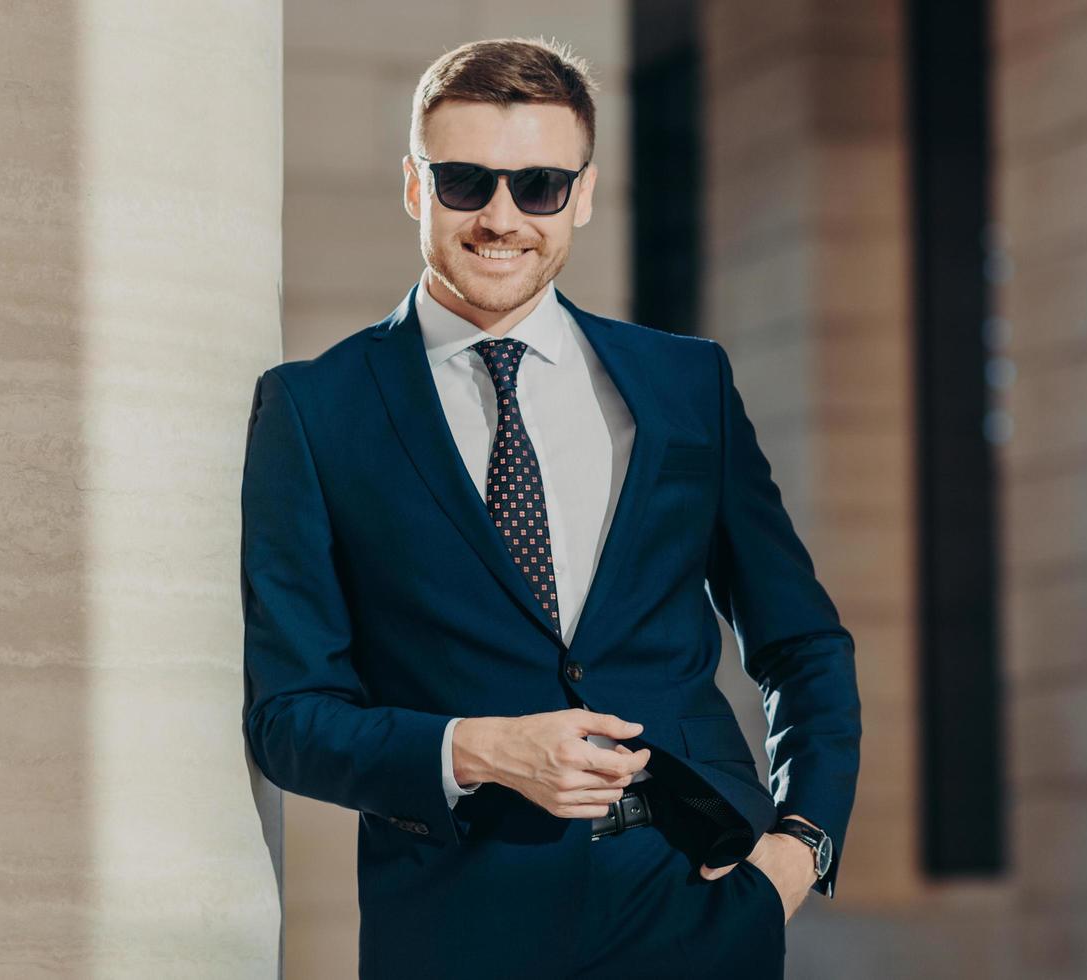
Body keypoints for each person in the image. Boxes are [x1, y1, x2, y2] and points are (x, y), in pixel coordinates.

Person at [240, 36, 861, 979]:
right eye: (464, 182)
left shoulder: (686, 383)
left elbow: (802, 642)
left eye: (538, 185)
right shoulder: (315, 410)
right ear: (415, 187)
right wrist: (478, 751)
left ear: (584, 193)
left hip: (698, 900)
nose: (501, 217)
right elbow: (289, 717)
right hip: (457, 920)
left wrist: (799, 847)